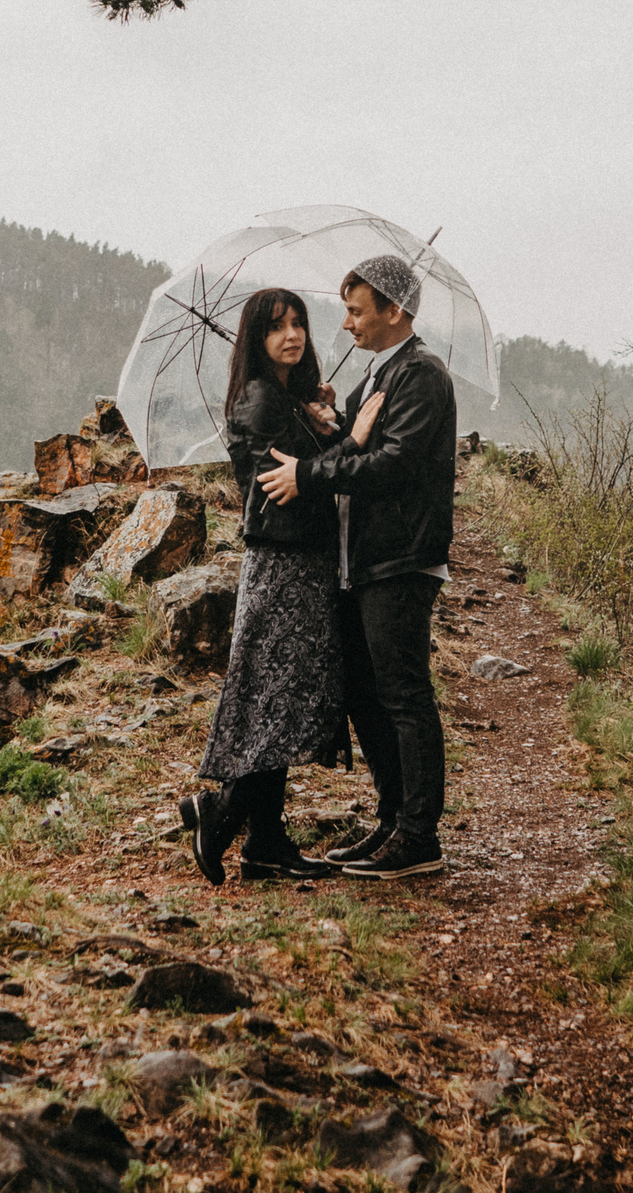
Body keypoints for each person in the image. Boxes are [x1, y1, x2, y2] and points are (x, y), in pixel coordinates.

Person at [258, 253, 457, 880]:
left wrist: (309, 473)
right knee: (369, 697)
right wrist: (335, 421)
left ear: (393, 311)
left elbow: (394, 465)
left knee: (403, 695)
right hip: (363, 560)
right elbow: (365, 447)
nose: (345, 324)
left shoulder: (420, 374)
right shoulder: (380, 376)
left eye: (355, 311)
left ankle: (420, 837)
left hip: (400, 560)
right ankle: (394, 822)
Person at [182, 287, 384, 883]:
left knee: (281, 698)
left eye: (297, 324)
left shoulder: (284, 398)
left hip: (301, 562)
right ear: (256, 338)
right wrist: (353, 438)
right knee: (278, 696)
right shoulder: (259, 400)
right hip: (282, 565)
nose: (292, 335)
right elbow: (289, 482)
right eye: (276, 328)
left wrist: (321, 417)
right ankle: (219, 811)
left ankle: (265, 844)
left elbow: (310, 467)